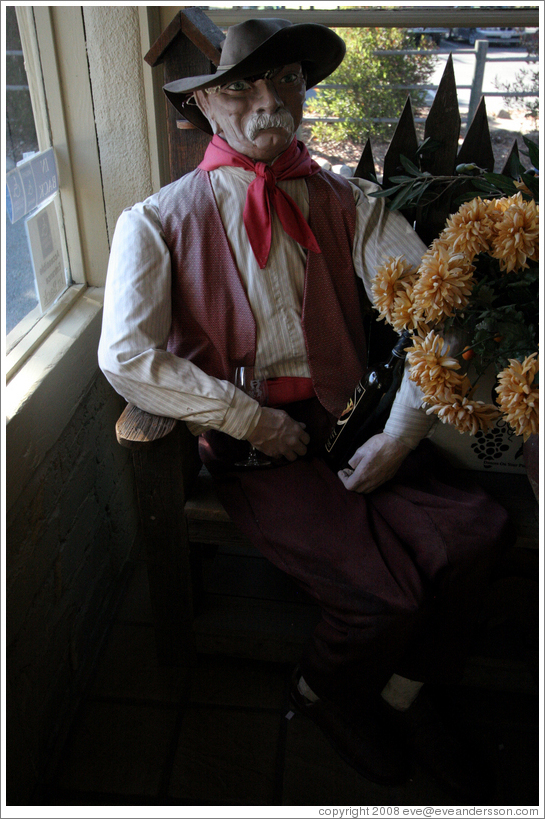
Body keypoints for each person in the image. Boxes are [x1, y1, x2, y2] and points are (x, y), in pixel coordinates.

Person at [99, 18, 511, 795]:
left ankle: (403, 692)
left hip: (354, 421)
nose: (267, 101)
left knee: (475, 530)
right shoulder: (153, 222)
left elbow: (439, 309)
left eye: (284, 79)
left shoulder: (349, 201)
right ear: (204, 106)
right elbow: (124, 356)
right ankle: (324, 693)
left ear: (302, 90)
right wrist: (248, 418)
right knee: (382, 593)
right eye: (239, 87)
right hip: (256, 448)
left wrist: (399, 434)